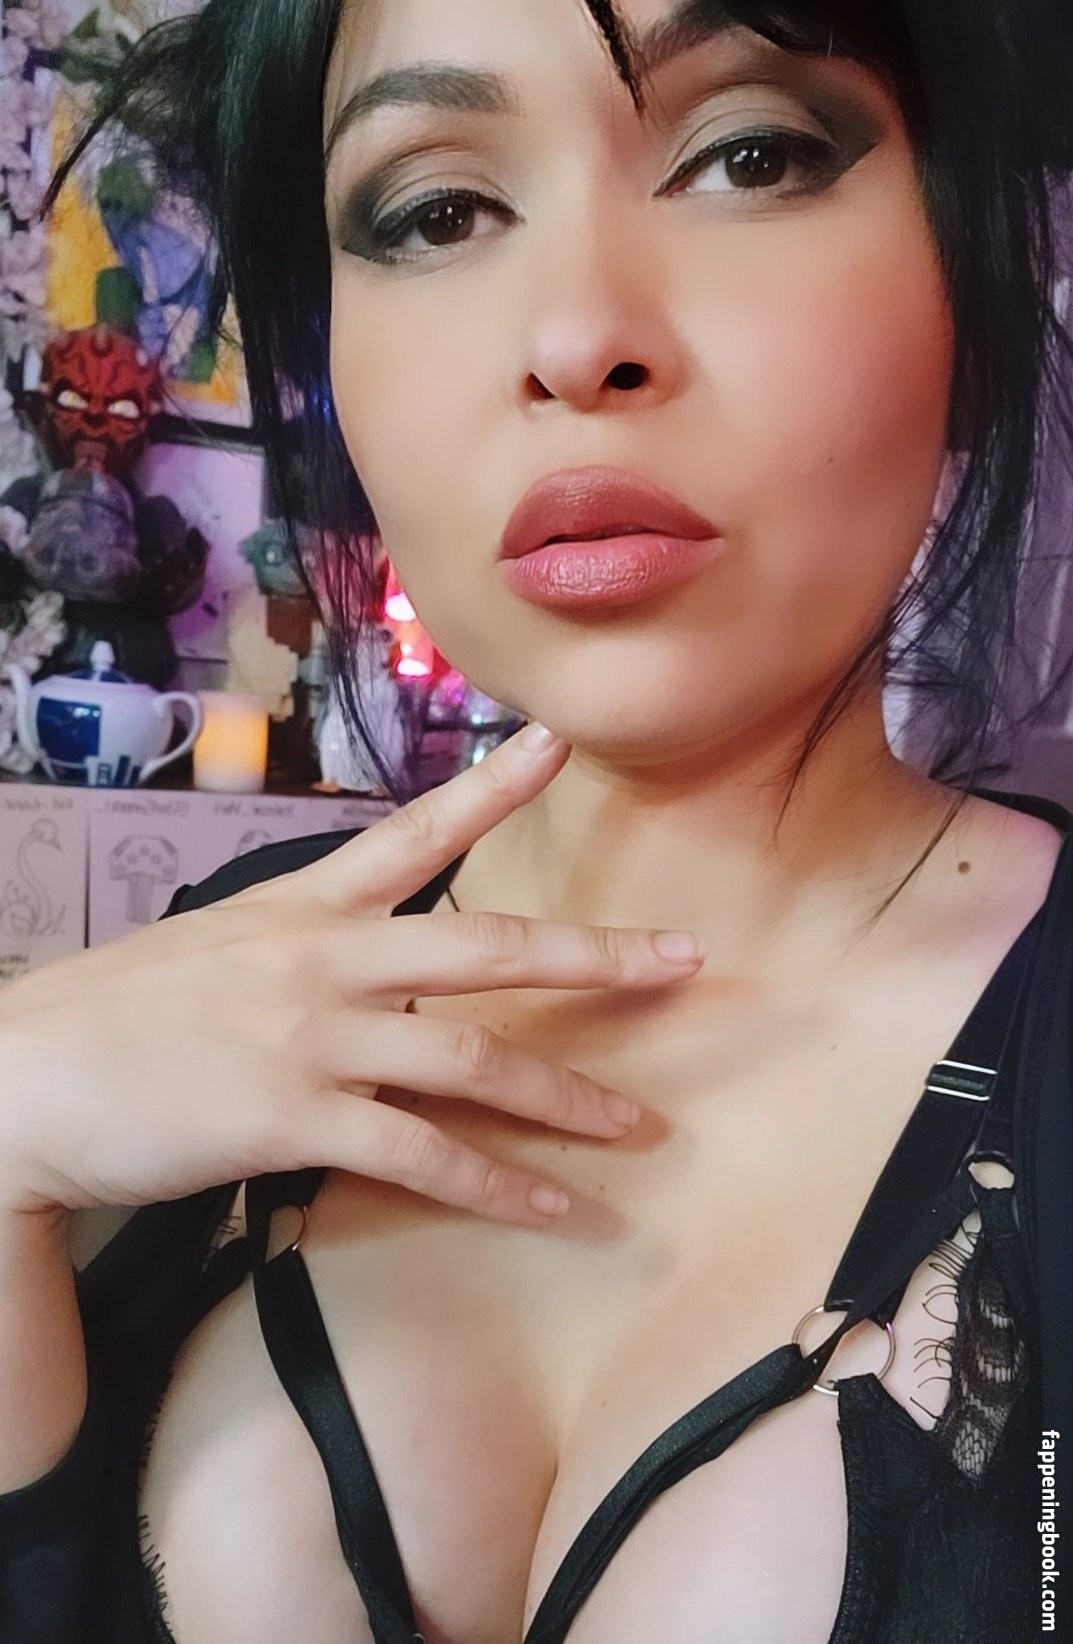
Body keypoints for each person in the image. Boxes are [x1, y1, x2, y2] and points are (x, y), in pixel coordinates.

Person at [2, 1, 1073, 1640]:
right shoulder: (201, 984)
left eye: (750, 155)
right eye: (437, 209)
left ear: (970, 287)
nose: (576, 336)